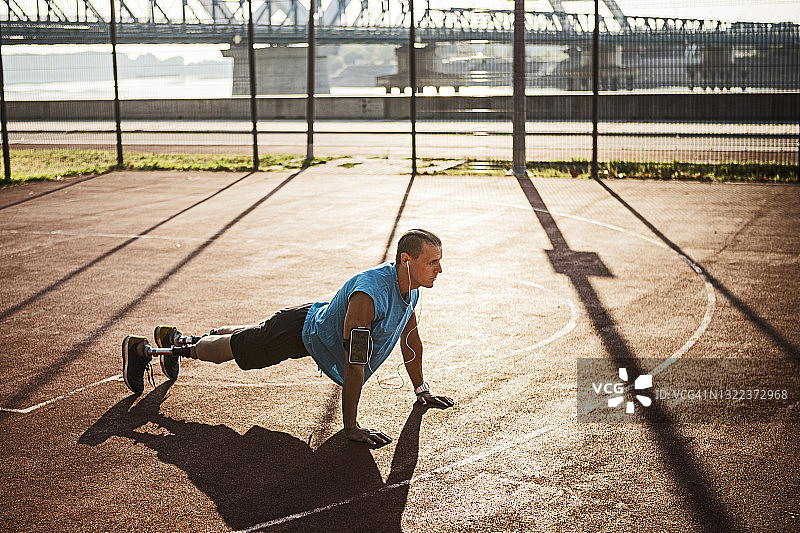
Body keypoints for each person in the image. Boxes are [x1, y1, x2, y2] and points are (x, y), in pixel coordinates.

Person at [121, 228, 454, 445]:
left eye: (440, 261)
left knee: (245, 338)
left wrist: (421, 390)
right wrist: (350, 428)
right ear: (405, 261)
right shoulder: (368, 297)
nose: (439, 270)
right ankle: (159, 350)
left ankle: (179, 339)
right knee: (234, 351)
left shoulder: (410, 289)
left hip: (311, 323)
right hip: (299, 332)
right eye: (432, 262)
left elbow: (411, 342)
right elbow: (355, 366)